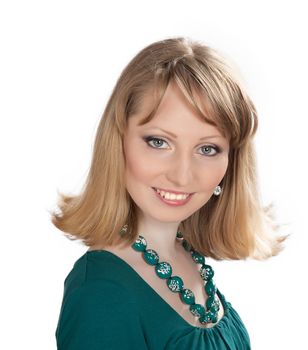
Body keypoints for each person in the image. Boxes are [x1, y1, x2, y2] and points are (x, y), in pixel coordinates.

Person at [51, 37, 289, 349]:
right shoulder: (100, 291)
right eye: (159, 142)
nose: (181, 174)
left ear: (231, 161)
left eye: (207, 148)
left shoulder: (186, 256)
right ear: (119, 142)